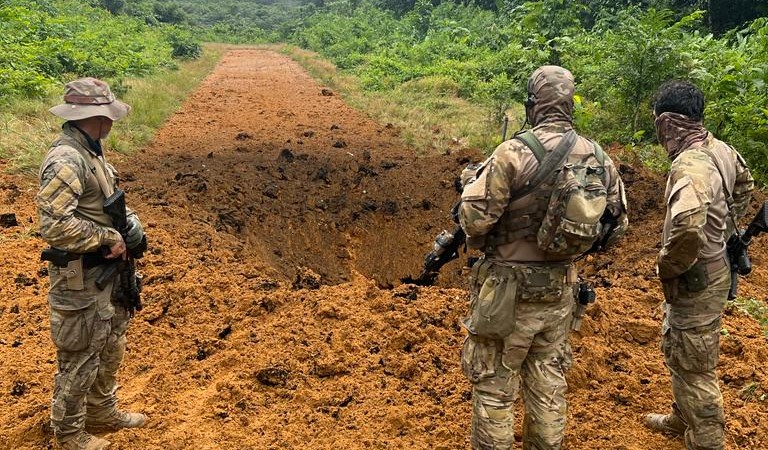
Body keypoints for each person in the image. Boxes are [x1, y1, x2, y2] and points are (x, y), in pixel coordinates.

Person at [457, 65, 627, 449]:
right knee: (549, 385)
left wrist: (470, 185)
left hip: (504, 296)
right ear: (569, 106)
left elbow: (474, 222)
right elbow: (616, 227)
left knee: (495, 389)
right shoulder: (598, 157)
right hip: (560, 293)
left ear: (532, 105)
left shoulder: (512, 153)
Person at [36, 77, 148, 450]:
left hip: (106, 274)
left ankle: (102, 410)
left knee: (110, 343)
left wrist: (129, 225)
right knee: (80, 354)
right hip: (80, 277)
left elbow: (104, 202)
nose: (112, 124)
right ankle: (69, 434)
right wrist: (107, 238)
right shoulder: (67, 159)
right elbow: (54, 224)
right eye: (109, 118)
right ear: (98, 118)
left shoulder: (91, 152)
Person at [644, 80, 753, 450]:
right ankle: (682, 418)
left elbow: (688, 226)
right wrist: (721, 230)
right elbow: (745, 185)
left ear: (668, 124)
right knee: (680, 344)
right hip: (716, 266)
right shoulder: (720, 149)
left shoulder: (689, 165)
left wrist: (668, 265)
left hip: (697, 276)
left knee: (695, 363)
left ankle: (706, 439)